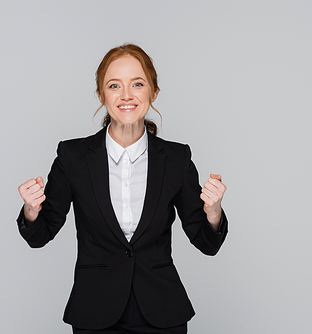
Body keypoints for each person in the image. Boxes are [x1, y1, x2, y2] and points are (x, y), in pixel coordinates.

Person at [17, 43, 228, 334]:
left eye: (137, 84)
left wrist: (213, 211)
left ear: (153, 93)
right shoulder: (73, 157)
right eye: (114, 85)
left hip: (162, 311)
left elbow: (207, 243)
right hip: (95, 311)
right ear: (101, 95)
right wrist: (31, 210)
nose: (126, 95)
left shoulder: (177, 159)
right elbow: (40, 236)